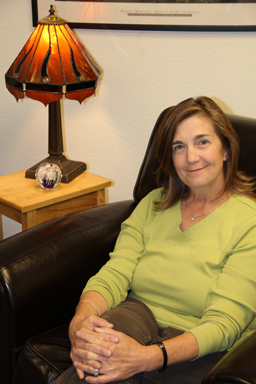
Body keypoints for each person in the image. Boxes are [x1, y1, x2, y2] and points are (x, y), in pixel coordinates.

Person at [54, 97, 256, 384]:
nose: (191, 157)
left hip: (201, 339)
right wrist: (81, 321)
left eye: (202, 142)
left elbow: (224, 325)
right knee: (95, 359)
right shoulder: (153, 204)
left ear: (225, 149)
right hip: (138, 313)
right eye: (179, 147)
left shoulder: (250, 221)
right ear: (171, 158)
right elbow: (115, 273)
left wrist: (145, 358)